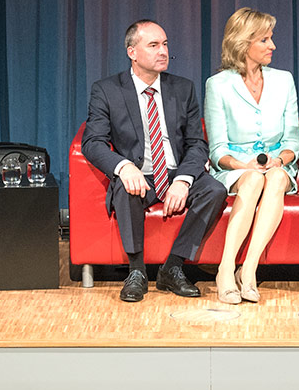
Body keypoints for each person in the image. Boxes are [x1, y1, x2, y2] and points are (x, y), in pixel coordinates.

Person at [82, 20, 228, 303]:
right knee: (124, 187)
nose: (163, 51)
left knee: (215, 190)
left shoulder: (182, 88)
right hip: (139, 174)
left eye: (165, 44)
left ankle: (173, 266)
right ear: (132, 52)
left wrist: (184, 180)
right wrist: (123, 166)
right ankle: (136, 271)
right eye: (153, 45)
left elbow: (197, 143)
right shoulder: (107, 90)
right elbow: (92, 142)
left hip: (175, 171)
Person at [204, 8, 299, 304]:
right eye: (265, 39)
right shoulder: (217, 85)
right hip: (235, 167)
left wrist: (280, 160)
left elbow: (293, 141)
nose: (272, 46)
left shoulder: (284, 80)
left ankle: (248, 270)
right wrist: (243, 165)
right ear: (244, 43)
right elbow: (218, 149)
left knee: (272, 178)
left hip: (276, 165)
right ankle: (225, 269)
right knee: (252, 181)